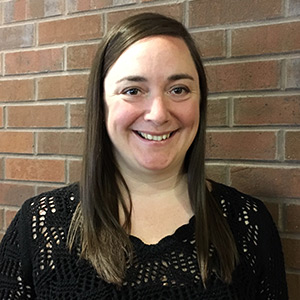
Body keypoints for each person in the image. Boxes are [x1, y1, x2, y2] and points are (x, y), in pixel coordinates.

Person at [0, 13, 288, 299]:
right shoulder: (38, 226)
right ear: (101, 106)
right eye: (133, 90)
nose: (158, 113)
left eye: (179, 89)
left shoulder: (247, 223)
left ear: (201, 102)